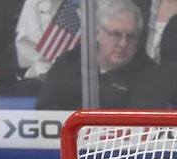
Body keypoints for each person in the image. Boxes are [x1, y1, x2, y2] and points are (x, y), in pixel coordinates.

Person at [36, 0, 166, 110]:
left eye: (131, 37)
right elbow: (45, 116)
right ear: (97, 33)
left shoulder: (150, 75)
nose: (123, 44)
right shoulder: (67, 65)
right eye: (115, 34)